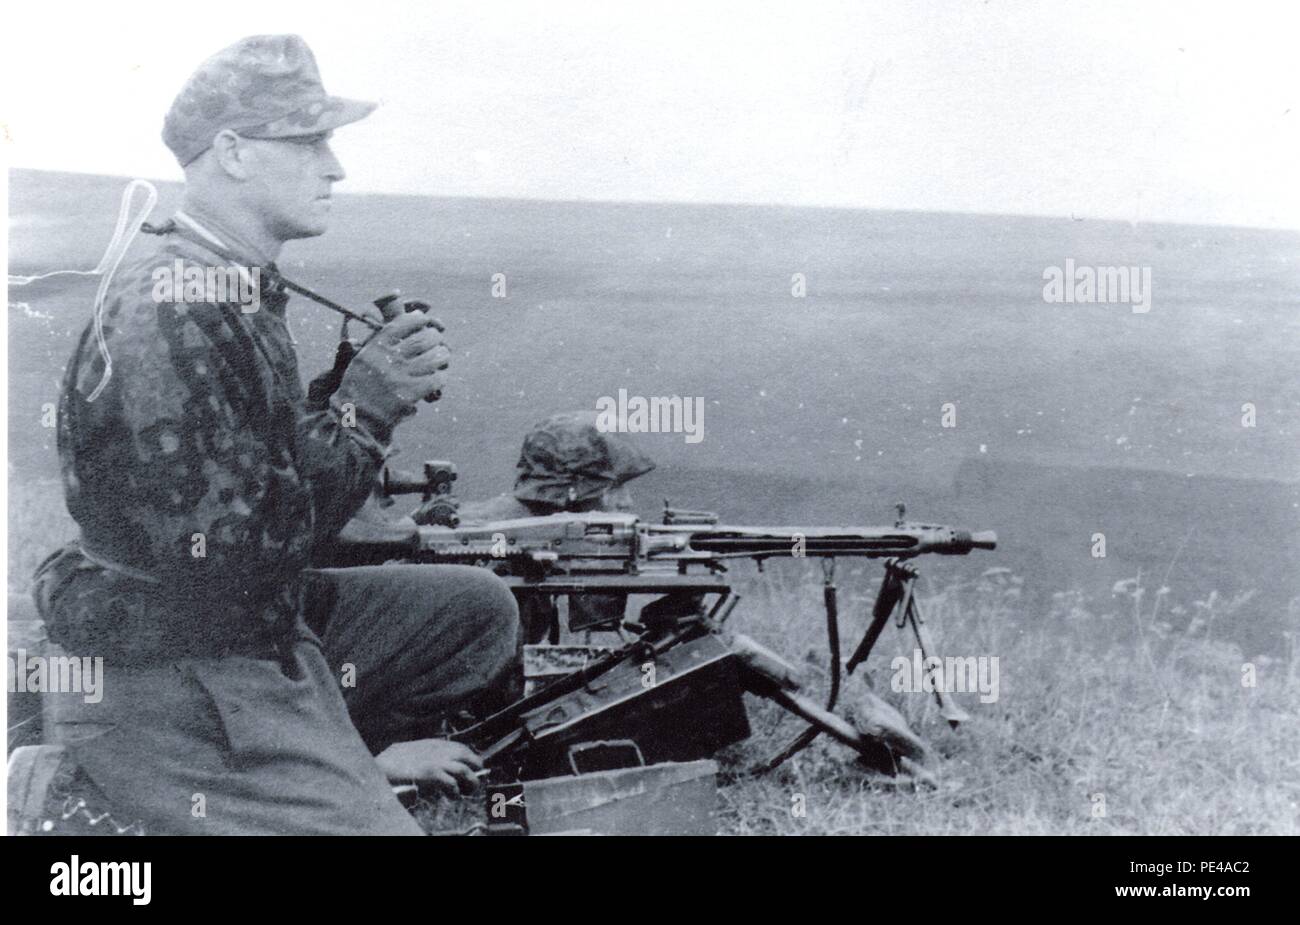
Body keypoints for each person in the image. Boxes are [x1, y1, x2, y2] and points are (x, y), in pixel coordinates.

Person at [31, 35, 518, 835]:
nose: (336, 167)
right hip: (177, 665)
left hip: (243, 623)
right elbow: (234, 551)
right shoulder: (178, 304)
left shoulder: (222, 278)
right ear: (232, 153)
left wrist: (338, 394)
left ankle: (329, 750)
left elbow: (249, 460)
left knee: (475, 611)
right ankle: (94, 785)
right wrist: (364, 413)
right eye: (309, 142)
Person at [454, 411, 655, 641]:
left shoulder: (531, 534)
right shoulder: (480, 546)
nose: (626, 501)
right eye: (614, 488)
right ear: (571, 492)